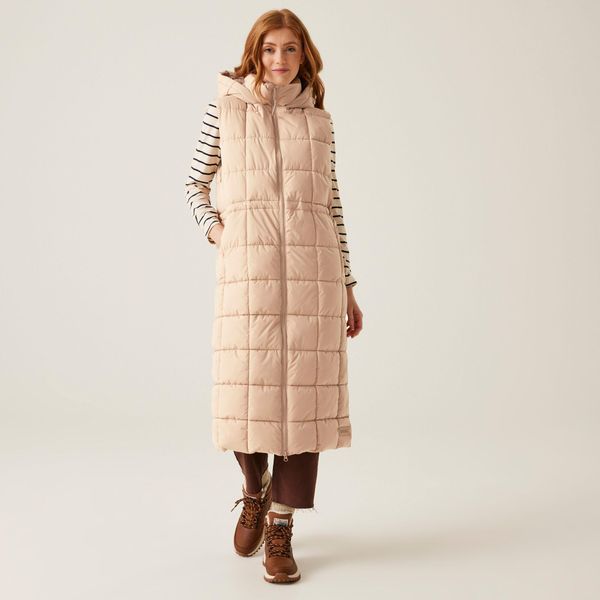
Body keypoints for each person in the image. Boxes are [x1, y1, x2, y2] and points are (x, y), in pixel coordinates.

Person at [184, 8, 363, 584]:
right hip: (249, 276)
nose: (279, 59)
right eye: (269, 49)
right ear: (254, 54)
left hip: (315, 279)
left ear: (303, 54)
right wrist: (220, 233)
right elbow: (194, 184)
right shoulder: (225, 109)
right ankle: (254, 488)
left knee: (305, 402)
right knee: (250, 391)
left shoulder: (319, 121)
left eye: (289, 49)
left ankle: (281, 525)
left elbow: (332, 206)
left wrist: (349, 287)